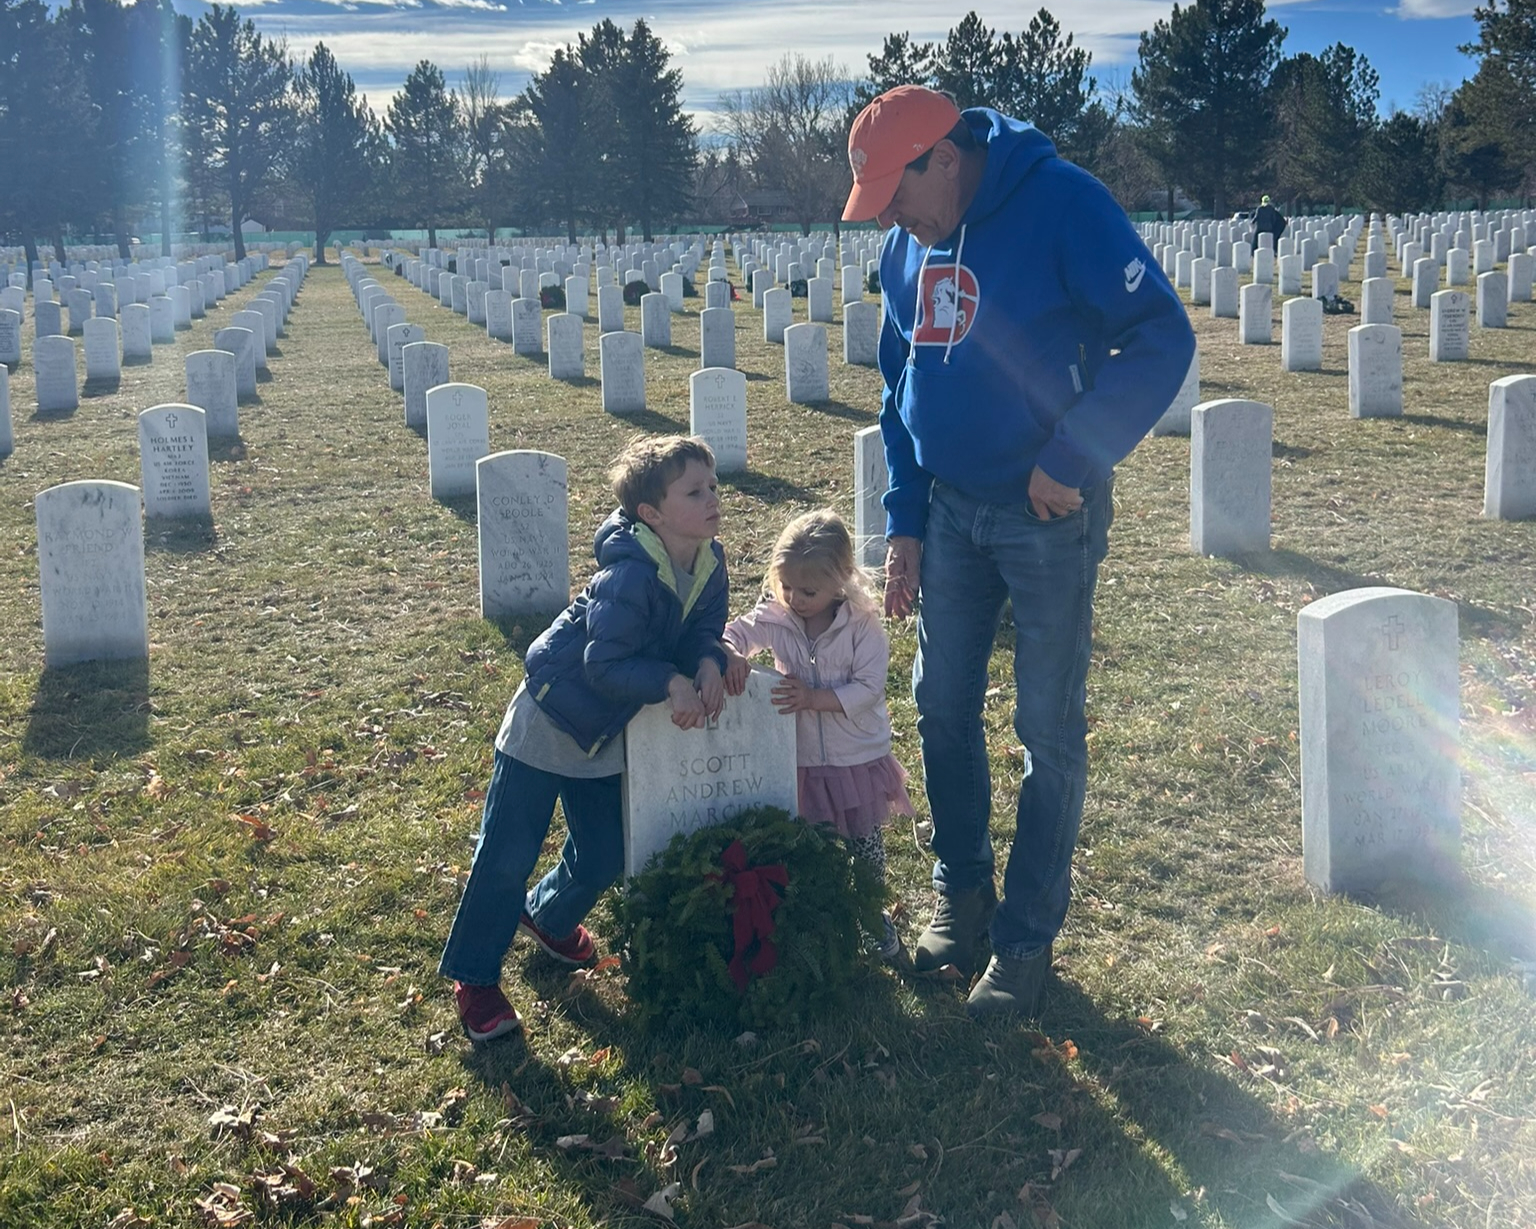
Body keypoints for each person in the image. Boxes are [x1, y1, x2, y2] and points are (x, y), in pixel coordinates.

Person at [841, 85, 1196, 1018]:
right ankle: (964, 899)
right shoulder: (906, 245)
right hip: (951, 511)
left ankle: (1027, 936)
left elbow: (1160, 335)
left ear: (944, 160)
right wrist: (906, 518)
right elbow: (898, 385)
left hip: (1046, 513)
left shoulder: (1064, 203)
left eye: (896, 193)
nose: (890, 217)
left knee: (1047, 728)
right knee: (941, 706)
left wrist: (1072, 453)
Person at [439, 435, 729, 1042]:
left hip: (605, 729)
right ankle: (475, 978)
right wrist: (672, 680)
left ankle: (545, 916)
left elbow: (703, 628)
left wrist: (707, 659)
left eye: (712, 486)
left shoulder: (708, 560)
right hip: (550, 720)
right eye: (695, 491)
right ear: (651, 513)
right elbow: (603, 665)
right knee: (507, 856)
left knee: (604, 852)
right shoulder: (628, 575)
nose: (713, 498)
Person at [720, 510, 915, 960]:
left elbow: (868, 688)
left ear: (841, 580)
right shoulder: (779, 616)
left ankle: (870, 913)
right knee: (813, 843)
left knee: (864, 843)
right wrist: (729, 652)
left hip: (855, 757)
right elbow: (738, 632)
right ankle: (824, 917)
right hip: (803, 756)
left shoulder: (861, 624)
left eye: (808, 591)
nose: (796, 598)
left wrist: (813, 699)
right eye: (785, 586)